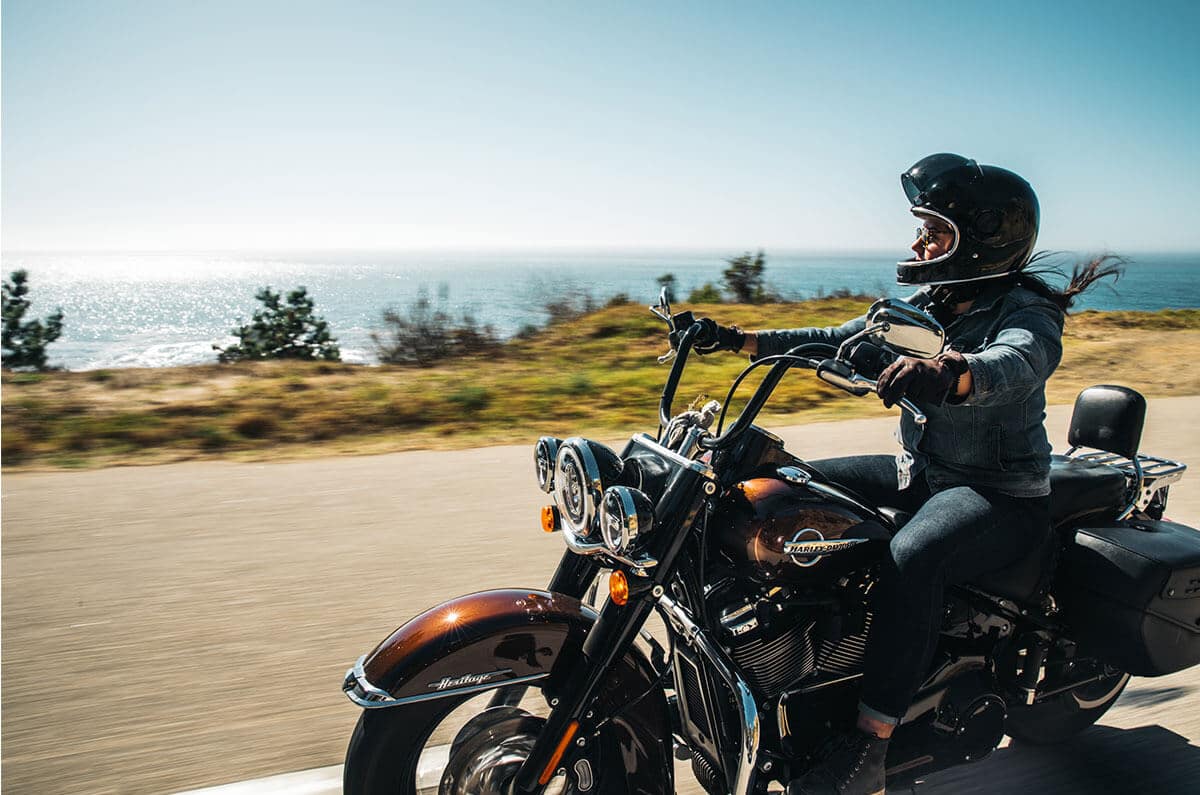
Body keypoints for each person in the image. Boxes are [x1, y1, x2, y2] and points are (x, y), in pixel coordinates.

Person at [694, 153, 1120, 795]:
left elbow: (1018, 361)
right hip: (921, 471)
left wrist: (951, 372)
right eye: (922, 227)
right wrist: (734, 338)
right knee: (780, 492)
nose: (920, 242)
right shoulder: (927, 304)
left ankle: (869, 745)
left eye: (936, 231)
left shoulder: (1028, 312)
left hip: (998, 493)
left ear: (981, 243)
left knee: (911, 555)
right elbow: (832, 337)